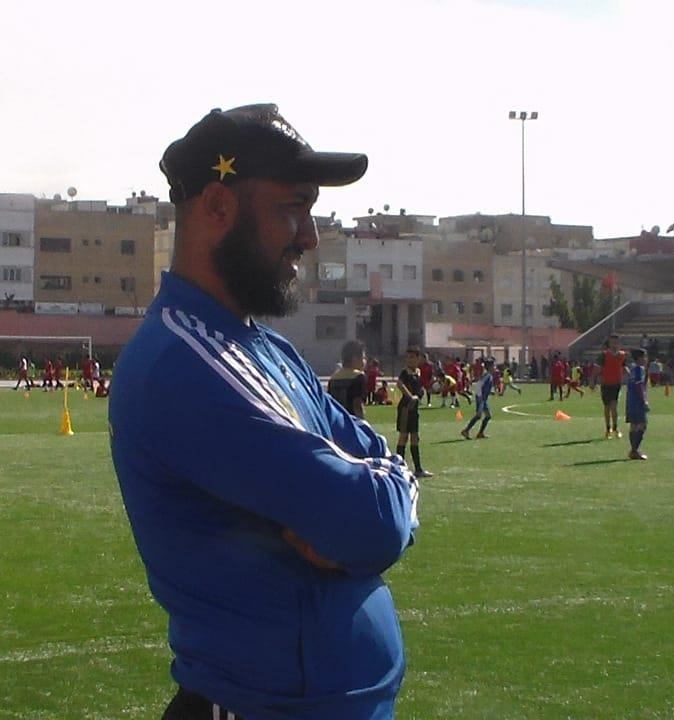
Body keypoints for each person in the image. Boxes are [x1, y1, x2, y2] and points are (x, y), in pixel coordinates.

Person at [109, 104, 418, 720]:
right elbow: (369, 523)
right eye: (292, 208)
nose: (310, 236)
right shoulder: (183, 364)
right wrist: (379, 504)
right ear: (218, 206)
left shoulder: (266, 349)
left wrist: (389, 490)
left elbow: (385, 468)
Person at [397, 346, 433, 478]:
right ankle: (399, 468)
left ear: (418, 358)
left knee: (415, 437)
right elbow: (400, 384)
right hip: (406, 408)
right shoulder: (405, 372)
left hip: (414, 408)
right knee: (403, 436)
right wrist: (410, 396)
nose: (409, 360)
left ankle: (418, 469)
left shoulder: (417, 372)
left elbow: (419, 388)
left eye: (412, 357)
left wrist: (420, 393)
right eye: (407, 357)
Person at [326, 339, 367, 419]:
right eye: (363, 358)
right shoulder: (358, 377)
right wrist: (362, 422)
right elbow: (357, 404)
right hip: (351, 420)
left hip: (336, 420)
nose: (365, 361)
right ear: (355, 358)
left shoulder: (333, 378)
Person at [599, 335, 627, 438]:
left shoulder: (622, 355)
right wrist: (592, 380)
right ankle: (608, 428)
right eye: (612, 343)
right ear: (609, 344)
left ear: (619, 344)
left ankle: (615, 428)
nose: (614, 345)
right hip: (606, 384)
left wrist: (630, 375)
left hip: (616, 384)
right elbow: (598, 368)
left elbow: (624, 367)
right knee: (607, 407)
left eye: (616, 343)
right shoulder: (603, 355)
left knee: (614, 406)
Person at [461, 358, 496, 439]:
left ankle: (480, 433)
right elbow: (478, 385)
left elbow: (483, 386)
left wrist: (490, 392)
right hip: (481, 399)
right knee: (479, 415)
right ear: (490, 367)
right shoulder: (487, 376)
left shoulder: (489, 376)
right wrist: (480, 397)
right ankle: (466, 430)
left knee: (488, 416)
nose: (495, 367)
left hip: (484, 399)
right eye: (493, 366)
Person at [625, 347, 650, 460]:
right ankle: (634, 450)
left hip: (630, 400)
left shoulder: (633, 368)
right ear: (640, 358)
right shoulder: (640, 369)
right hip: (638, 400)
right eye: (645, 357)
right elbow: (639, 385)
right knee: (642, 424)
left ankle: (633, 450)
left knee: (634, 425)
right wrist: (644, 400)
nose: (646, 359)